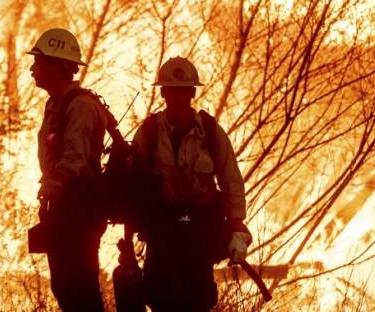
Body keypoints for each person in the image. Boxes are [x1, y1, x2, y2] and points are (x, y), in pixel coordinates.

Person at [132, 56, 252, 312]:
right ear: (163, 93)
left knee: (197, 295)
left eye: (182, 92)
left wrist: (237, 224)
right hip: (162, 225)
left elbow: (231, 179)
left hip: (200, 227)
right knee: (158, 293)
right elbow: (133, 181)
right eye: (171, 91)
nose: (176, 98)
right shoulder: (150, 132)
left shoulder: (210, 132)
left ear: (192, 93)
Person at [28, 28, 107, 312]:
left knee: (80, 286)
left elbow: (76, 156)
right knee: (64, 286)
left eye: (38, 63)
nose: (32, 69)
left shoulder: (81, 106)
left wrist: (57, 180)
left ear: (57, 65)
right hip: (64, 207)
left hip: (80, 208)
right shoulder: (56, 104)